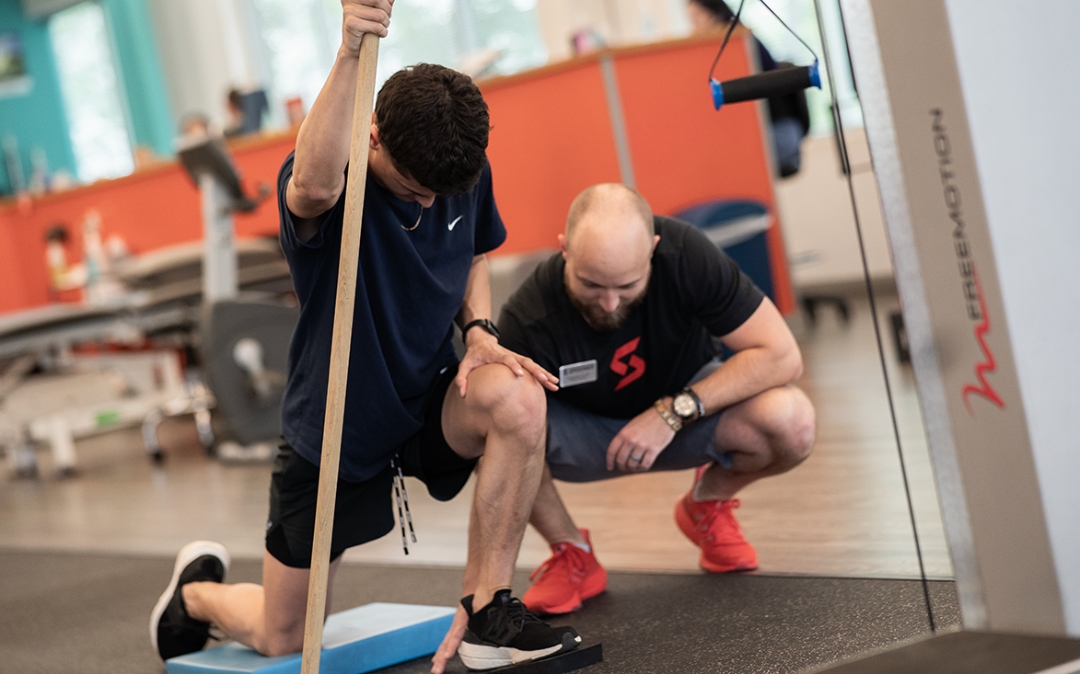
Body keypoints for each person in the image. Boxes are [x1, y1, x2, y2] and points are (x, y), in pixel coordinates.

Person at [149, 2, 582, 672]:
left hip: (433, 395)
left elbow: (474, 251)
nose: (430, 205)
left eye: (442, 194)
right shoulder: (336, 177)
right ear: (374, 137)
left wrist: (479, 332)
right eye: (415, 192)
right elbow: (314, 184)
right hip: (337, 424)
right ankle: (198, 594)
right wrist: (352, 47)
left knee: (520, 398)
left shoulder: (454, 169)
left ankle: (486, 607)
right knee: (282, 637)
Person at [497, 184, 815, 615]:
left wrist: (671, 413)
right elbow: (502, 420)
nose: (609, 304)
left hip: (685, 412)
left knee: (792, 420)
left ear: (653, 250)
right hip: (586, 435)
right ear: (565, 250)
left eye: (627, 285)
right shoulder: (528, 313)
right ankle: (572, 553)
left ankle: (706, 504)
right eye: (591, 284)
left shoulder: (687, 256)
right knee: (497, 425)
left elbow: (782, 355)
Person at [688, 0, 811, 178]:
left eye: (696, 17)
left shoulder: (737, 43)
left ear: (711, 14)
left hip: (780, 134)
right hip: (779, 133)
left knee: (719, 162)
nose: (694, 27)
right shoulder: (728, 46)